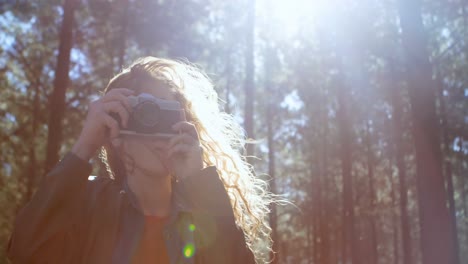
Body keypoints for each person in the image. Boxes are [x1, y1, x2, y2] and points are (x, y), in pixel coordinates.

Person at [7, 57, 272, 264]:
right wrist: (84, 147)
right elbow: (26, 251)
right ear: (116, 135)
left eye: (165, 115)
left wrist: (199, 183)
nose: (158, 133)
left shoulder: (199, 216)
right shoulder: (88, 204)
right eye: (144, 115)